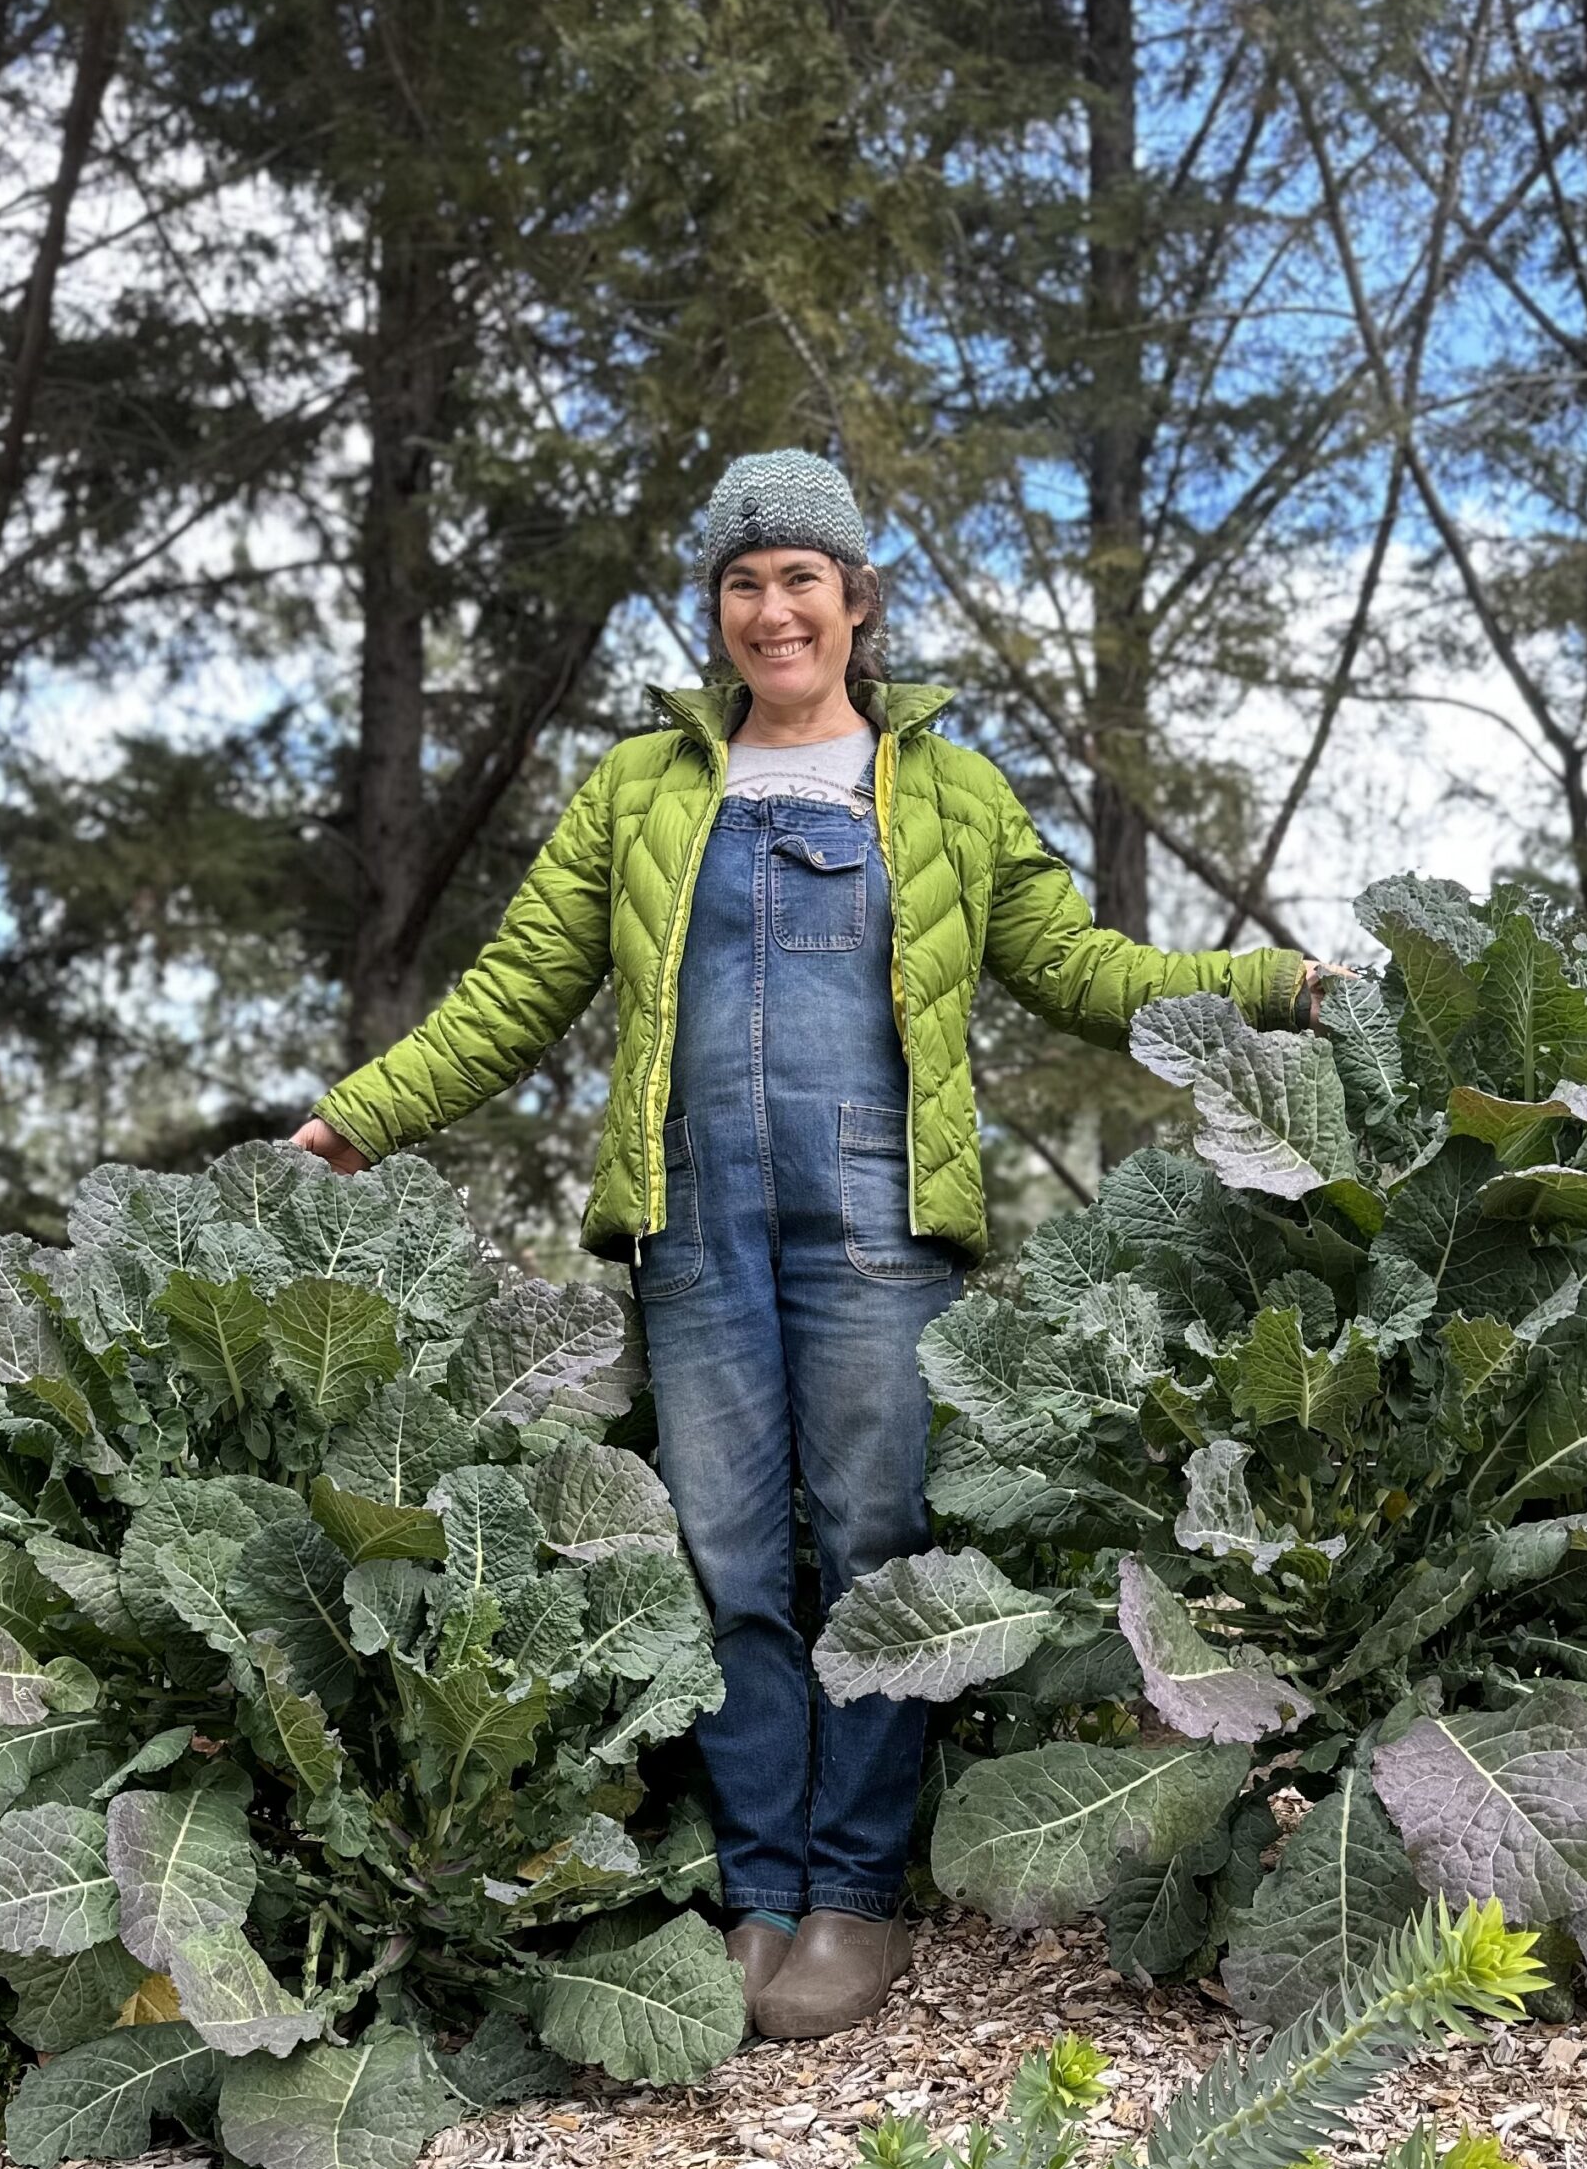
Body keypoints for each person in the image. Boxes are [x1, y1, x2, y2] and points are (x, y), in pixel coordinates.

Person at [290, 449, 1333, 2040]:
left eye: (801, 579)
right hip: (693, 1222)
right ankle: (755, 1888)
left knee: (873, 1552)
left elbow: (1089, 971)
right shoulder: (640, 790)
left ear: (855, 601)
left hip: (881, 1224)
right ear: (716, 611)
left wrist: (1275, 987)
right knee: (722, 1563)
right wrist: (357, 1115)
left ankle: (852, 1891)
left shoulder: (951, 792)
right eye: (742, 581)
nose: (773, 609)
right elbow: (516, 993)